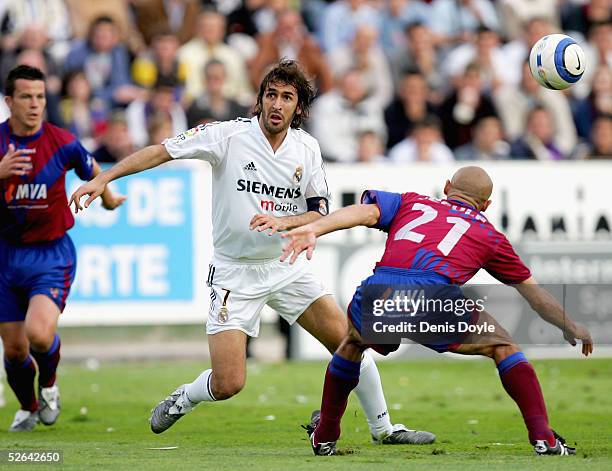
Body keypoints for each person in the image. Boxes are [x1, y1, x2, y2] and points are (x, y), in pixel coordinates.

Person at [69, 60, 435, 445]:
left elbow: (318, 211)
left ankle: (384, 429)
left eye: (287, 97)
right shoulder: (226, 136)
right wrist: (103, 177)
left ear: (299, 108)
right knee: (229, 383)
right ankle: (185, 397)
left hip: (285, 264)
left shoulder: (307, 148)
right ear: (259, 100)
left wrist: (287, 222)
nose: (277, 104)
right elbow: (162, 151)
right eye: (271, 95)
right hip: (234, 271)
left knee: (351, 342)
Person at [280, 166, 593, 456]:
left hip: (380, 289)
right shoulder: (489, 236)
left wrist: (315, 229)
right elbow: (535, 295)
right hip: (432, 296)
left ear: (446, 187)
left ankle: (325, 436)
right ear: (486, 205)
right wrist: (569, 325)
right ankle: (544, 439)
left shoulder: (412, 202)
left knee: (352, 344)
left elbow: (362, 213)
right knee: (503, 347)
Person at [0, 65, 125, 432]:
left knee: (38, 334)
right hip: (5, 255)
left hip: (49, 254)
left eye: (40, 96)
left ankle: (50, 385)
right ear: (9, 102)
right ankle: (28, 406)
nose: (35, 104)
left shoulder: (61, 141)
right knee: (14, 350)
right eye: (26, 97)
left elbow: (92, 170)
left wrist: (108, 197)